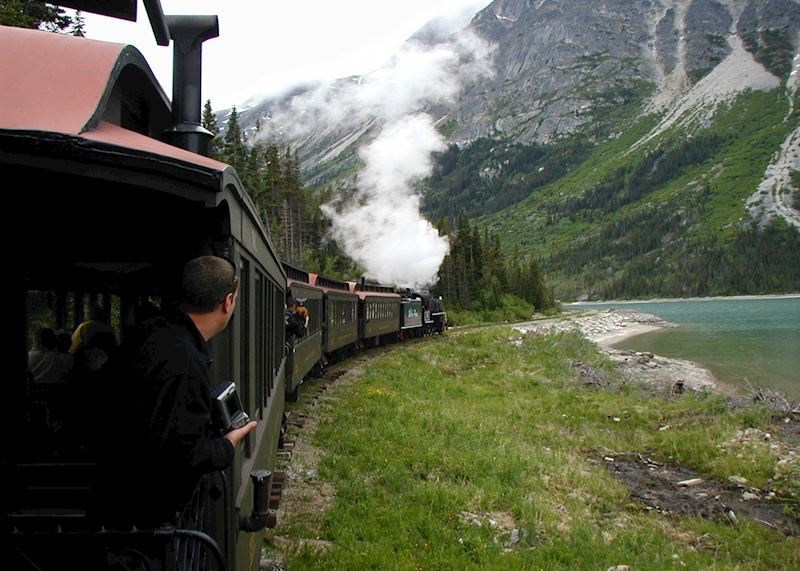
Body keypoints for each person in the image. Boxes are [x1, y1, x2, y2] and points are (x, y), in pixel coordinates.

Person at [92, 255, 257, 529]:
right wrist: (227, 445)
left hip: (112, 504)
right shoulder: (184, 361)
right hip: (141, 525)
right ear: (228, 301)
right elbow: (183, 453)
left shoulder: (149, 335)